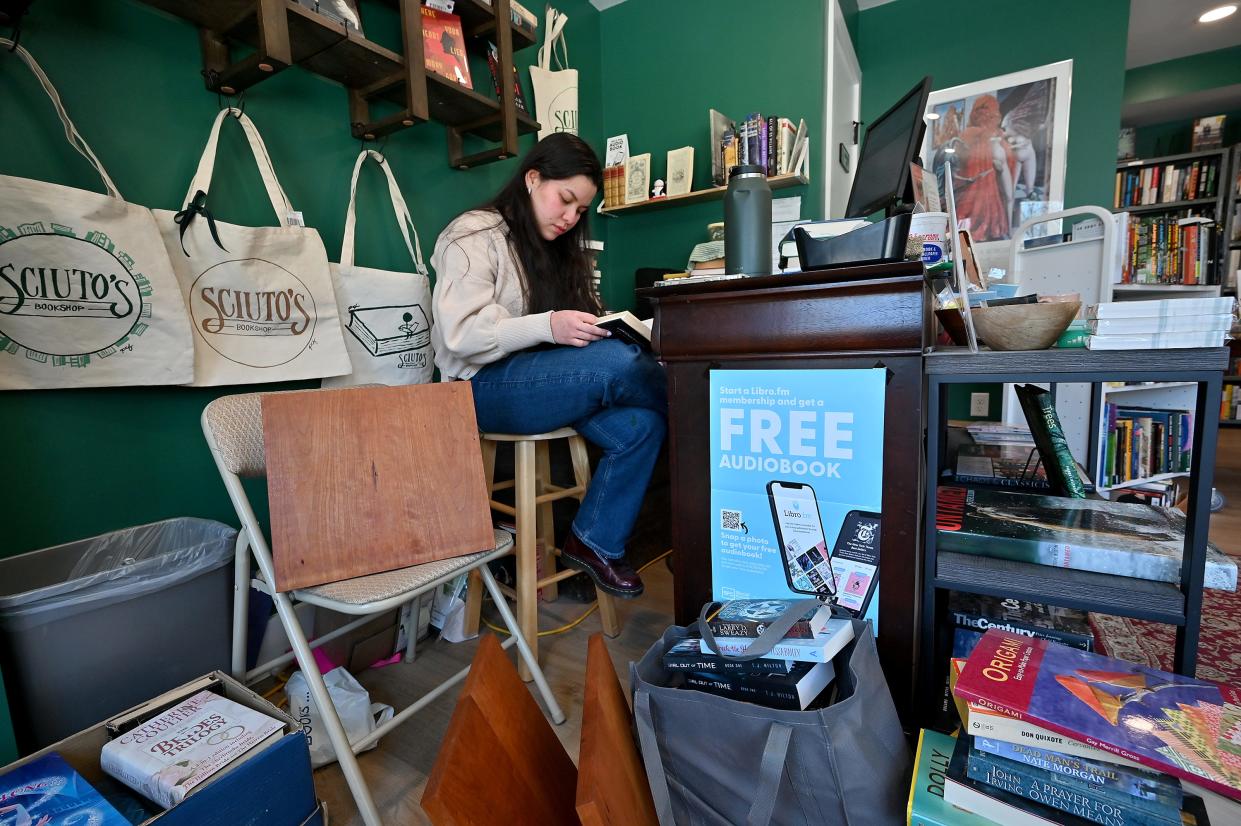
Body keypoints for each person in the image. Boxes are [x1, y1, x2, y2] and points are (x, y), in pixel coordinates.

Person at [430, 133, 667, 598]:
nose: (569, 217)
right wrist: (548, 326)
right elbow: (461, 335)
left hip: (541, 381)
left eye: (580, 210)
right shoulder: (473, 235)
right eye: (565, 200)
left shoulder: (554, 250)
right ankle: (702, 423)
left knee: (643, 424)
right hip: (474, 388)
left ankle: (593, 540)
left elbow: (564, 335)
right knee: (621, 364)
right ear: (532, 177)